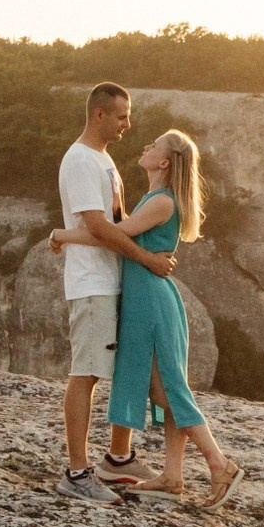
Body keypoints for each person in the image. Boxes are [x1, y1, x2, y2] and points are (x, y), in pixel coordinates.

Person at [49, 128, 244, 509]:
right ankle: (172, 475)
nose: (146, 147)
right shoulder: (155, 198)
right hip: (147, 301)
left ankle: (219, 464)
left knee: (168, 391)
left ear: (165, 162)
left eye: (154, 146)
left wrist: (63, 234)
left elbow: (112, 234)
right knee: (166, 389)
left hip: (153, 304)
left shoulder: (163, 202)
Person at [53, 84, 176, 505]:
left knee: (127, 366)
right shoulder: (80, 160)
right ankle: (76, 474)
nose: (128, 124)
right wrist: (148, 259)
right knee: (86, 373)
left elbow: (118, 220)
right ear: (100, 115)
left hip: (115, 279)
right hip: (92, 283)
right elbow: (100, 227)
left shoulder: (103, 160)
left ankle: (118, 460)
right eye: (122, 116)